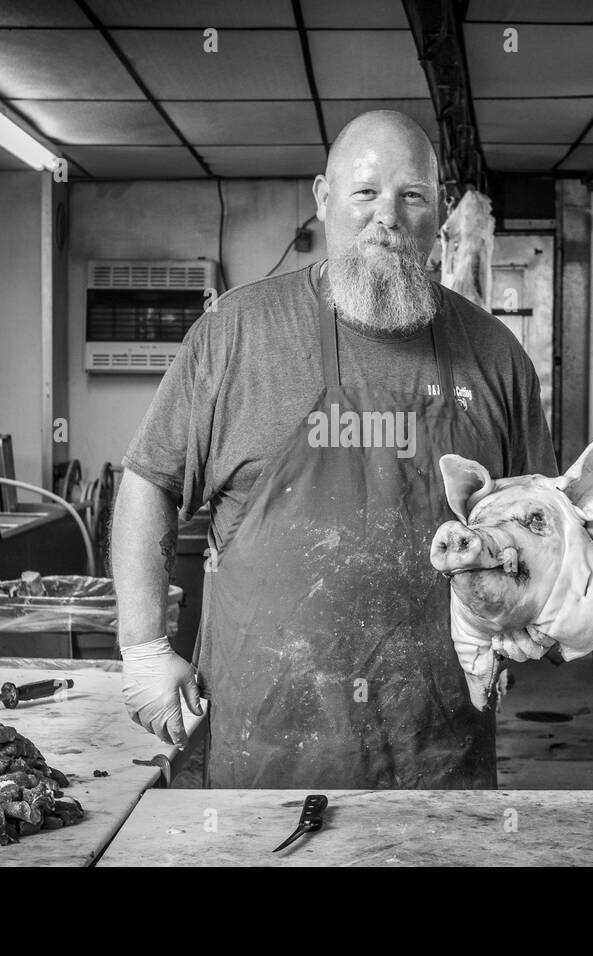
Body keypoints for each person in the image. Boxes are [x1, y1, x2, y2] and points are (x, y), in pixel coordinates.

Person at [113, 109, 555, 789]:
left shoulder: (495, 357)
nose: (388, 215)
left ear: (438, 211)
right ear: (323, 199)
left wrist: (530, 609)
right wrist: (144, 646)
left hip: (436, 756)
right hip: (263, 751)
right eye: (365, 192)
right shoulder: (235, 334)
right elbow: (149, 481)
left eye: (411, 195)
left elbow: (540, 530)